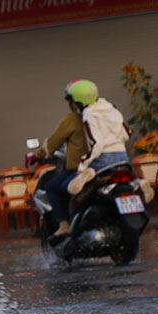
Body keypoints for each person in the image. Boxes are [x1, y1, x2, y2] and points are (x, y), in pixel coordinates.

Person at [43, 80, 131, 237]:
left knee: (63, 186)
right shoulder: (111, 109)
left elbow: (97, 144)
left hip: (102, 162)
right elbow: (127, 133)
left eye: (72, 102)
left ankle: (65, 224)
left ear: (78, 102)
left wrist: (83, 166)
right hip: (123, 158)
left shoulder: (88, 114)